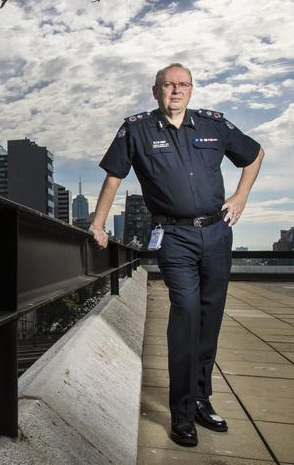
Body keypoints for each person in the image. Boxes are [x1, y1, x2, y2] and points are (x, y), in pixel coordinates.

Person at [89, 63, 264, 447]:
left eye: (183, 84)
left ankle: (202, 400)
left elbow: (254, 155)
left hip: (217, 234)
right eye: (169, 85)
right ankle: (182, 413)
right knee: (185, 314)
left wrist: (240, 197)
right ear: (155, 91)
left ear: (191, 89)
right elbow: (113, 177)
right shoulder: (136, 128)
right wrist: (98, 225)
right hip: (174, 236)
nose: (176, 90)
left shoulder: (213, 124)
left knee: (209, 318)